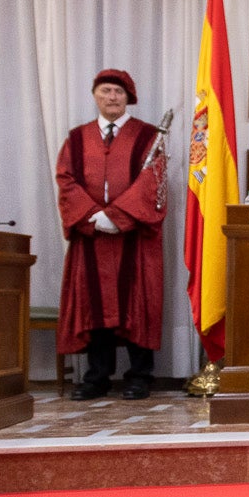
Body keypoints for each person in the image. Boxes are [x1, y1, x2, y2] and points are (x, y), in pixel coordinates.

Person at [56, 69, 167, 401]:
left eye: (118, 92)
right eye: (105, 90)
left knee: (137, 303)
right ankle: (96, 377)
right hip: (91, 237)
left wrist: (117, 216)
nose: (112, 97)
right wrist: (93, 218)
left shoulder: (149, 137)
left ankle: (139, 376)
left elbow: (154, 181)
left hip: (134, 236)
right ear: (95, 95)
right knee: (95, 304)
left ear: (128, 97)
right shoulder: (76, 138)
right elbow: (66, 181)